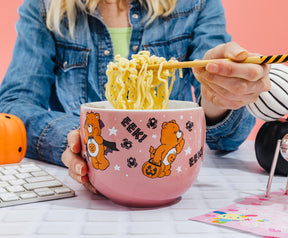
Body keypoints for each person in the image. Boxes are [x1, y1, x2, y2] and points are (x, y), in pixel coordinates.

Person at [0, 0, 270, 193]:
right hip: (86, 188)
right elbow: (13, 107)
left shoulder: (197, 4)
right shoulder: (44, 6)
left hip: (172, 182)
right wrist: (79, 136)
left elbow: (228, 139)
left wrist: (220, 98)